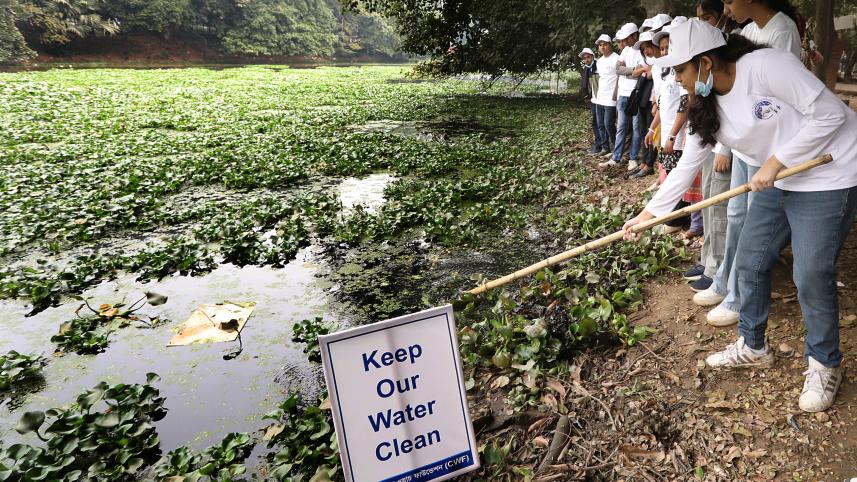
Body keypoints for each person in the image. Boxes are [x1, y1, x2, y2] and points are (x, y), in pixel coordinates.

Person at [623, 19, 857, 413]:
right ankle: (753, 345)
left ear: (707, 63)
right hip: (777, 178)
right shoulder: (704, 102)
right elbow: (686, 166)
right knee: (749, 262)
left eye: (681, 69)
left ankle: (824, 363)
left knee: (811, 273)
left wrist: (778, 161)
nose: (678, 79)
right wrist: (649, 214)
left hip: (828, 172)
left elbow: (831, 115)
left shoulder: (766, 67)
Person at [693, 0, 803, 322]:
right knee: (736, 215)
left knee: (755, 225)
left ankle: (739, 296)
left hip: (765, 145)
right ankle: (724, 281)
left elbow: (775, 99)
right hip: (743, 146)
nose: (726, 8)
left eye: (728, 1)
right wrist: (727, 146)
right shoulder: (749, 30)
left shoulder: (783, 31)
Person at [681, 0, 734, 291]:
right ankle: (710, 259)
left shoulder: (726, 56)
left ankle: (718, 270)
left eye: (708, 16)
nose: (678, 79)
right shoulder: (700, 82)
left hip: (725, 150)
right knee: (709, 204)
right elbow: (688, 160)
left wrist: (724, 149)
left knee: (721, 208)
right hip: (712, 145)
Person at [599, 23, 645, 170]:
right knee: (621, 127)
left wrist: (630, 72)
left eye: (627, 38)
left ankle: (633, 158)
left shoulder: (641, 51)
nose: (625, 42)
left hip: (635, 94)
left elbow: (643, 72)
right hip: (622, 94)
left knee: (637, 128)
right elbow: (618, 69)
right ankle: (616, 157)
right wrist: (633, 71)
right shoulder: (626, 51)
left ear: (635, 36)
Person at [594, 34, 619, 157]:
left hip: (611, 97)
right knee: (600, 124)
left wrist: (616, 94)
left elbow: (620, 77)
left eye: (604, 44)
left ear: (610, 45)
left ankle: (615, 147)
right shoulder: (599, 61)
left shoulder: (617, 58)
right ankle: (605, 147)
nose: (602, 47)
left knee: (609, 123)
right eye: (600, 45)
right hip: (600, 96)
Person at [580, 47, 603, 154]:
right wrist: (586, 97)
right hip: (594, 100)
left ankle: (603, 146)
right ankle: (599, 145)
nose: (586, 60)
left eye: (588, 57)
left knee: (602, 123)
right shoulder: (586, 68)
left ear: (593, 56)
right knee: (595, 123)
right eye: (584, 58)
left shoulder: (599, 65)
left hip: (603, 99)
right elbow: (585, 86)